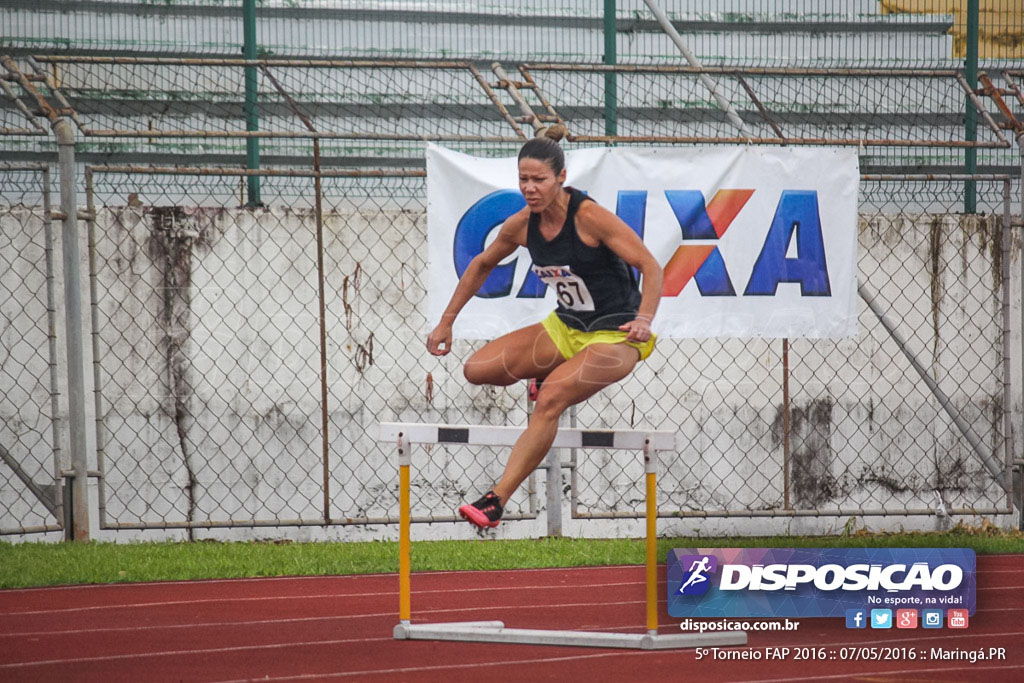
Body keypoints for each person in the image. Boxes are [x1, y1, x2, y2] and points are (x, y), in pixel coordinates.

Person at [426, 126, 663, 529]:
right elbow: (482, 264)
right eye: (523, 180)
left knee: (550, 399)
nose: (530, 189)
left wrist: (644, 319)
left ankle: (495, 501)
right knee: (477, 370)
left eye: (539, 180)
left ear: (561, 178)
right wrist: (446, 322)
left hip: (614, 335)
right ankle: (545, 372)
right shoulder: (521, 225)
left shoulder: (590, 218)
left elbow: (650, 266)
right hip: (566, 327)